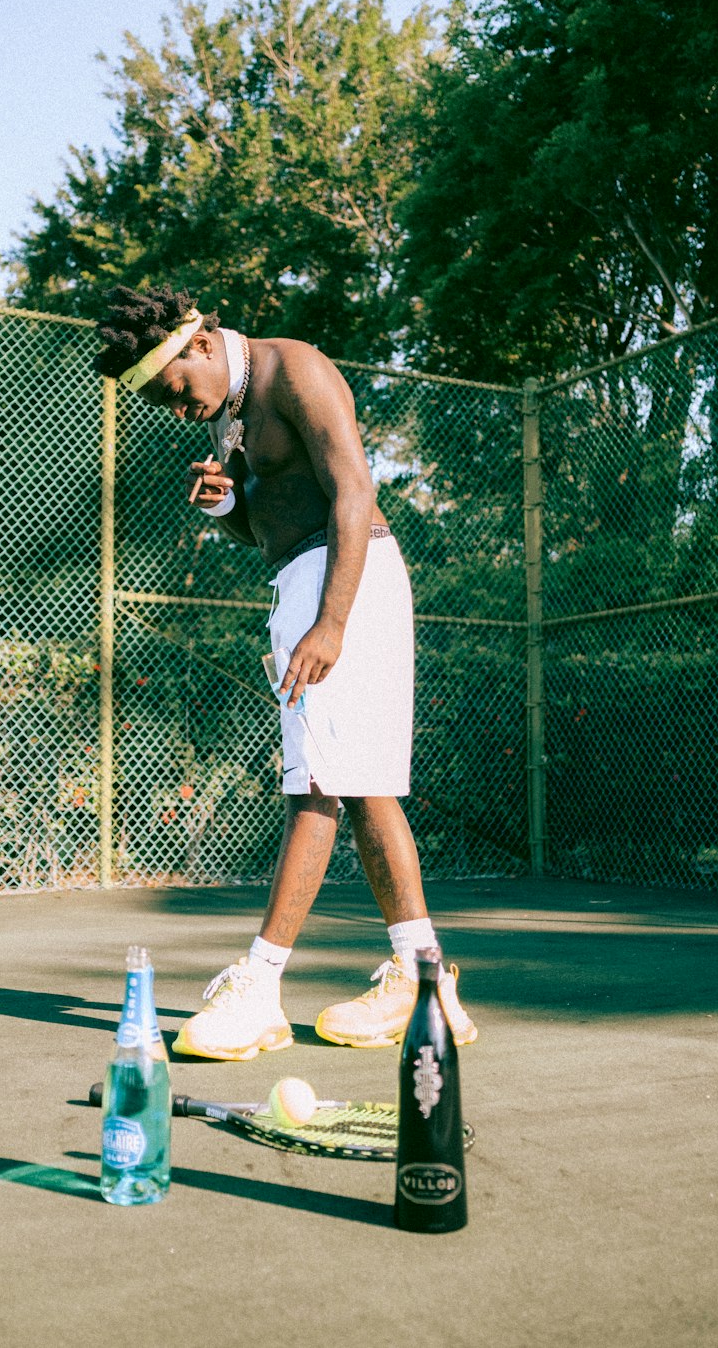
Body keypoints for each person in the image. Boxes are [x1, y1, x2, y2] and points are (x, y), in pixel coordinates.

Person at [93, 283, 477, 1060]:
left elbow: (353, 490)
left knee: (316, 787)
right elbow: (263, 528)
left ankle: (259, 989)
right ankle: (421, 979)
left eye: (175, 391)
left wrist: (331, 623)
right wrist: (224, 506)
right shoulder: (234, 410)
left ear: (200, 344)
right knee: (361, 785)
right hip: (307, 580)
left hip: (347, 579)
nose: (178, 410)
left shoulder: (294, 370)